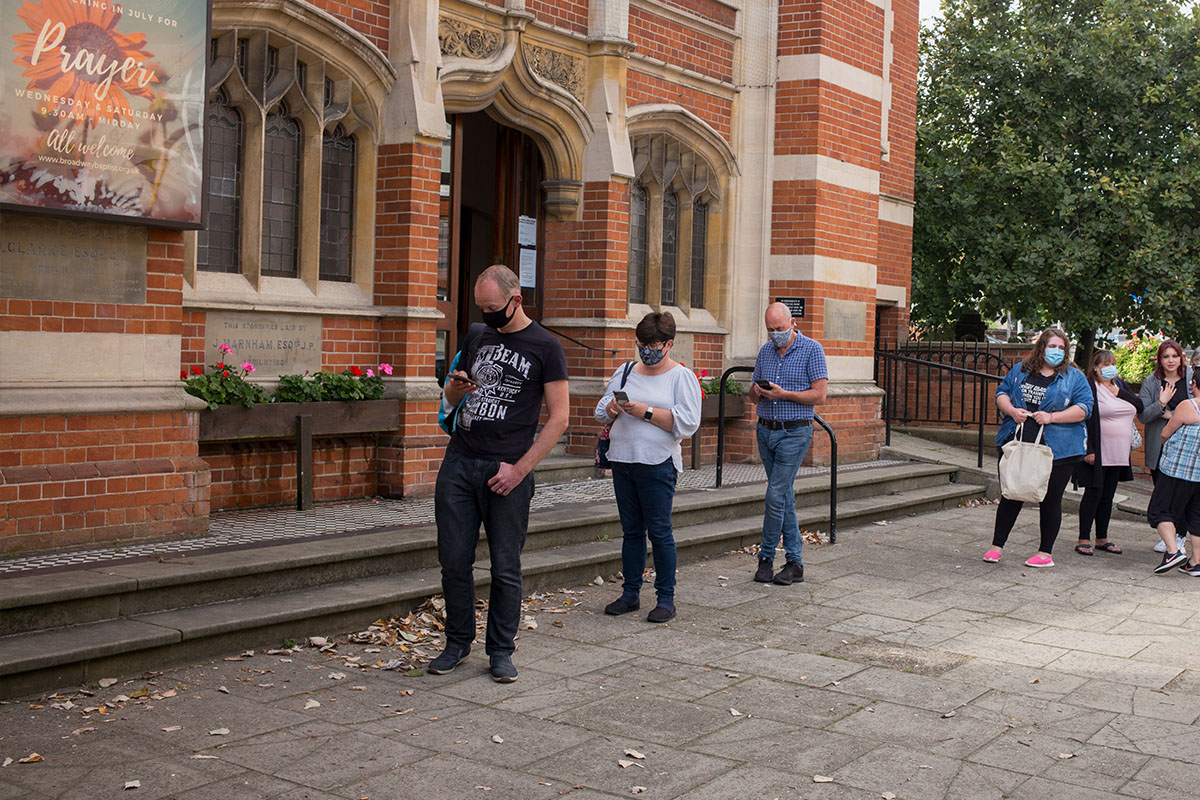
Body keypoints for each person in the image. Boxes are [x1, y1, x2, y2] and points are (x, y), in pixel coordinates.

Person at [428, 265, 569, 682]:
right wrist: (455, 387)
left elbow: (559, 418)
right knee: (454, 561)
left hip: (507, 470)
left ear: (516, 300)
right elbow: (451, 396)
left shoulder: (546, 347)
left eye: (493, 308)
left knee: (505, 566)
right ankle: (456, 643)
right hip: (459, 462)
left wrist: (520, 470)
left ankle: (500, 651)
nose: (487, 315)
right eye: (481, 308)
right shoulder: (477, 335)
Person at [595, 312, 702, 623]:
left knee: (659, 532)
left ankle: (665, 598)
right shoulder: (626, 370)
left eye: (654, 344)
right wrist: (612, 408)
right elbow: (601, 410)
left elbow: (687, 423)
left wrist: (646, 412)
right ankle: (630, 594)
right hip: (623, 460)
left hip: (657, 464)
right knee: (631, 532)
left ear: (668, 344)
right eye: (641, 344)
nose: (647, 350)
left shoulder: (681, 376)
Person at [985, 328, 1093, 568]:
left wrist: (1053, 417)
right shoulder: (1021, 371)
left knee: (1050, 499)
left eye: (1061, 348)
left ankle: (1045, 553)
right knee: (1011, 494)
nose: (1056, 351)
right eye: (1052, 346)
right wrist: (1012, 411)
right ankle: (996, 547)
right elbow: (1001, 393)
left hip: (1059, 449)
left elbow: (1085, 408)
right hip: (1017, 442)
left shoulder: (1074, 377)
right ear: (1041, 347)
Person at [750, 302, 828, 585]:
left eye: (780, 329)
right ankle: (795, 562)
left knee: (775, 494)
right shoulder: (765, 351)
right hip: (765, 430)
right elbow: (751, 396)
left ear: (792, 323)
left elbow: (820, 396)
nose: (775, 335)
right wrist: (757, 391)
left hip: (795, 432)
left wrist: (784, 394)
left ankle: (766, 558)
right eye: (770, 330)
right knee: (784, 497)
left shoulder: (812, 349)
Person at [1072, 350, 1143, 555]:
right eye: (1105, 364)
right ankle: (1083, 537)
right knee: (1093, 493)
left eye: (1112, 363)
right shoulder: (1089, 386)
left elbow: (1140, 406)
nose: (1110, 367)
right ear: (1095, 367)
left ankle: (1102, 538)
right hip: (1098, 451)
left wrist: (1119, 393)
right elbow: (1083, 418)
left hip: (1119, 452)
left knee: (1108, 495)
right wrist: (1088, 449)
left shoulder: (1120, 385)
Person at [1139, 340, 1193, 554]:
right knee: (1162, 493)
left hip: (1188, 448)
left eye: (1174, 356)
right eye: (1166, 357)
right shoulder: (1151, 382)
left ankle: (1179, 536)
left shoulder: (1191, 379)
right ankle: (1170, 536)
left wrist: (1177, 416)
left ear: (1181, 358)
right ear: (1159, 360)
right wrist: (1161, 405)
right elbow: (1143, 416)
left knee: (1183, 494)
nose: (1171, 361)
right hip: (1159, 445)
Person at [1147, 369, 1200, 575]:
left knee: (1159, 510)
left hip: (1178, 470)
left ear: (1194, 383)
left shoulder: (1189, 405)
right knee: (1196, 515)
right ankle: (1196, 563)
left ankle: (1172, 551)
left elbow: (1166, 433)